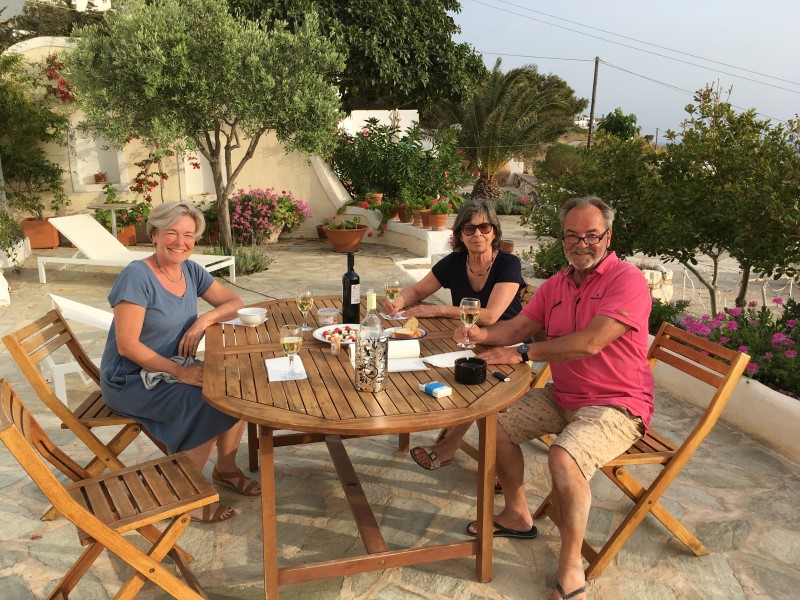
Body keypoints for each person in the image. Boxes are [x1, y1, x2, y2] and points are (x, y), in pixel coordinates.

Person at [455, 196, 654, 600]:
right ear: (562, 239)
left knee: (563, 457)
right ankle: (517, 513)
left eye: (591, 236)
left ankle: (571, 564)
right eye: (571, 236)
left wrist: (524, 352)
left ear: (608, 237)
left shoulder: (627, 280)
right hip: (563, 396)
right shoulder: (557, 284)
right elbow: (518, 327)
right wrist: (480, 335)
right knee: (495, 422)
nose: (581, 244)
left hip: (617, 405)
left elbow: (591, 342)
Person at [100, 201, 259, 523]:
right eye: (171, 232)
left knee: (235, 387)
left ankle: (225, 469)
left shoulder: (190, 270)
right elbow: (128, 346)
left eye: (188, 235)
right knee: (208, 403)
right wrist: (179, 371)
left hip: (170, 369)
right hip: (130, 379)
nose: (180, 242)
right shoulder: (136, 276)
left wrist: (204, 320)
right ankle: (185, 494)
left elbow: (234, 302)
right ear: (154, 234)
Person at [382, 198, 526, 471]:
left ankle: (452, 446)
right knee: (422, 360)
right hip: (470, 337)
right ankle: (429, 427)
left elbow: (491, 315)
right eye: (469, 229)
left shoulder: (508, 264)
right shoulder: (455, 262)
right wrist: (398, 302)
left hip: (509, 340)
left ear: (494, 231)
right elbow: (417, 291)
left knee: (473, 377)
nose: (477, 234)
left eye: (484, 227)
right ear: (459, 234)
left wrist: (438, 309)